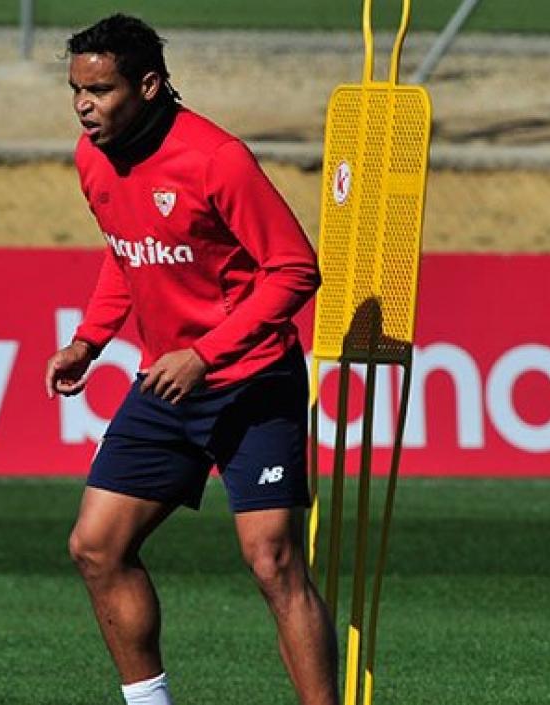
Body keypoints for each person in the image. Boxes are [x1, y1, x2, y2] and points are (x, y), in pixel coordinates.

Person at [44, 13, 339, 705]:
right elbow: (129, 250)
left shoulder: (217, 159)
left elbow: (295, 269)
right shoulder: (94, 159)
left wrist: (205, 355)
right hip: (168, 382)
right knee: (95, 547)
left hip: (251, 379)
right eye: (75, 90)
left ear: (148, 86)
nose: (84, 105)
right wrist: (90, 338)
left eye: (101, 90)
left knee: (272, 560)